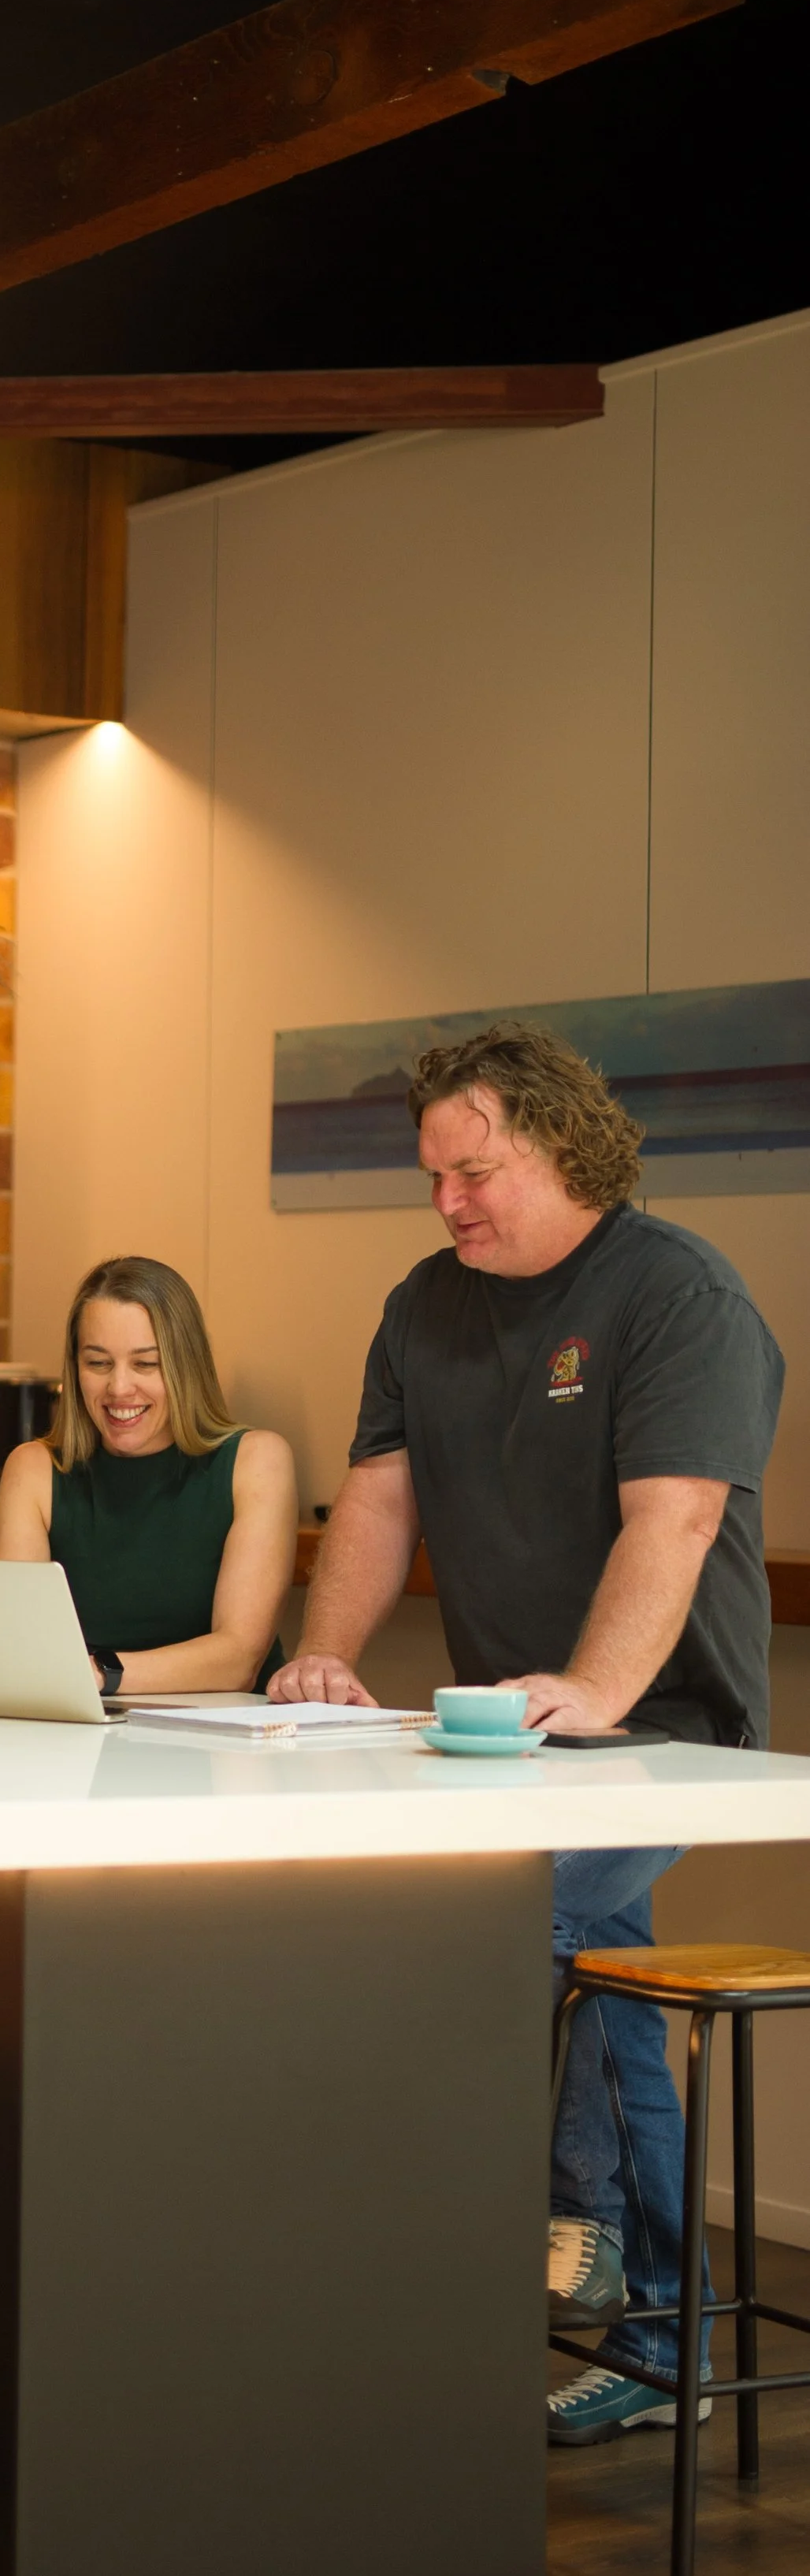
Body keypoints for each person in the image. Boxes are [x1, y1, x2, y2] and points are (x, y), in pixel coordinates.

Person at [270, 1023, 783, 2443]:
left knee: (514, 1908)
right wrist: (325, 1650)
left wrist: (602, 1689)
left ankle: (583, 2226)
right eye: (434, 1175)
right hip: (519, 1734)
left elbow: (674, 1514)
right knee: (582, 1952)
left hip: (666, 1727)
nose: (449, 1202)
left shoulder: (678, 1295)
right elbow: (379, 1498)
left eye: (475, 1170)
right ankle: (652, 2315)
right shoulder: (424, 1304)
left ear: (564, 1146)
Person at [0, 1255, 298, 1696]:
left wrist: (99, 1674)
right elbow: (16, 1641)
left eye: (146, 1364)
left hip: (225, 1745)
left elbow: (237, 1661)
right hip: (82, 1735)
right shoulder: (33, 1469)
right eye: (98, 1363)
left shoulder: (256, 1461)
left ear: (185, 1365)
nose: (119, 1389)